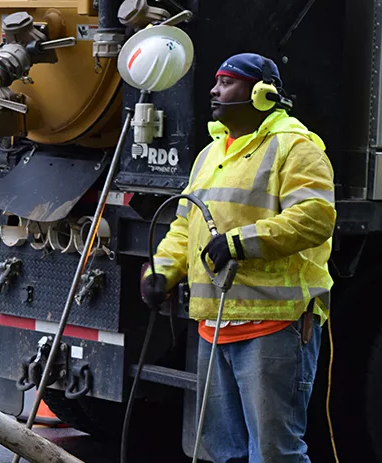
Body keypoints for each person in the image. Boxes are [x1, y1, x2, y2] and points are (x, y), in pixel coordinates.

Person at [140, 53, 336, 462]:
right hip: (215, 323)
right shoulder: (210, 154)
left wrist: (240, 242)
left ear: (262, 94)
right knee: (219, 452)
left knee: (274, 453)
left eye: (227, 82)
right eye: (215, 81)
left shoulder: (296, 147)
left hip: (275, 323)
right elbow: (184, 226)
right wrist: (164, 270)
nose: (214, 90)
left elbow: (314, 217)